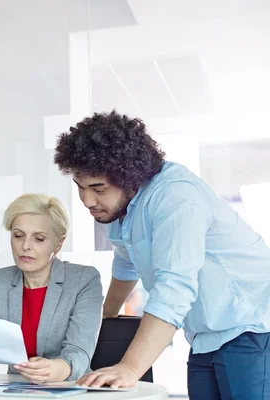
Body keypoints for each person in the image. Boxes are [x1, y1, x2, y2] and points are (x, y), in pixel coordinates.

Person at [54, 110, 270, 399]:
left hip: (251, 328)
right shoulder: (126, 209)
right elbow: (126, 261)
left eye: (98, 189)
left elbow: (175, 287)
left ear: (130, 178)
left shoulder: (175, 197)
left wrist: (130, 367)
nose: (87, 201)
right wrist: (106, 314)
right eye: (80, 187)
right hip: (204, 338)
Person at [0, 194, 103, 383]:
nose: (25, 246)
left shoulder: (84, 279)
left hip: (68, 386)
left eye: (39, 238)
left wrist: (55, 369)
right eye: (18, 235)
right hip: (17, 389)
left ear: (59, 243)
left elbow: (79, 352)